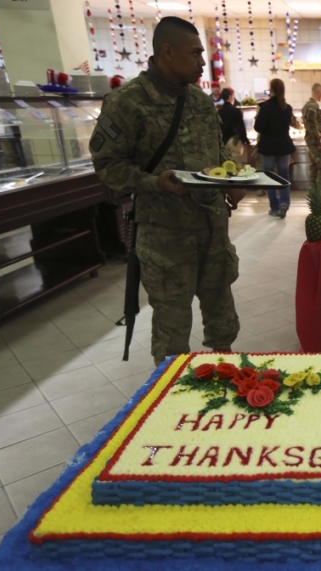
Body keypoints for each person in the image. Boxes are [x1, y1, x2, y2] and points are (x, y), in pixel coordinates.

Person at [89, 16, 243, 365]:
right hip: (166, 240)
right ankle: (170, 397)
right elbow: (107, 166)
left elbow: (219, 153)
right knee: (172, 333)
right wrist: (153, 182)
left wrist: (233, 181)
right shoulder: (127, 103)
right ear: (167, 52)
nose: (203, 62)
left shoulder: (202, 102)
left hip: (214, 232)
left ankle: (228, 379)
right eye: (196, 53)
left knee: (223, 322)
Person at [255, 77, 296, 218]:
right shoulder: (287, 108)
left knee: (269, 176)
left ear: (271, 89)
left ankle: (274, 207)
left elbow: (258, 127)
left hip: (268, 147)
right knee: (284, 175)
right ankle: (284, 204)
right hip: (284, 146)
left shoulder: (265, 107)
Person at [302, 83, 321, 191]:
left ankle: (314, 192)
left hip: (311, 139)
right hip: (315, 140)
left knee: (314, 166)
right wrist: (319, 140)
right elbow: (311, 124)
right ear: (318, 92)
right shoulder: (312, 106)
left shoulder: (308, 105)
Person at [218, 87, 249, 161]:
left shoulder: (219, 111)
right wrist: (245, 139)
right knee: (235, 163)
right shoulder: (236, 110)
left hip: (224, 140)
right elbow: (241, 126)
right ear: (230, 96)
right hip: (235, 140)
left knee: (226, 163)